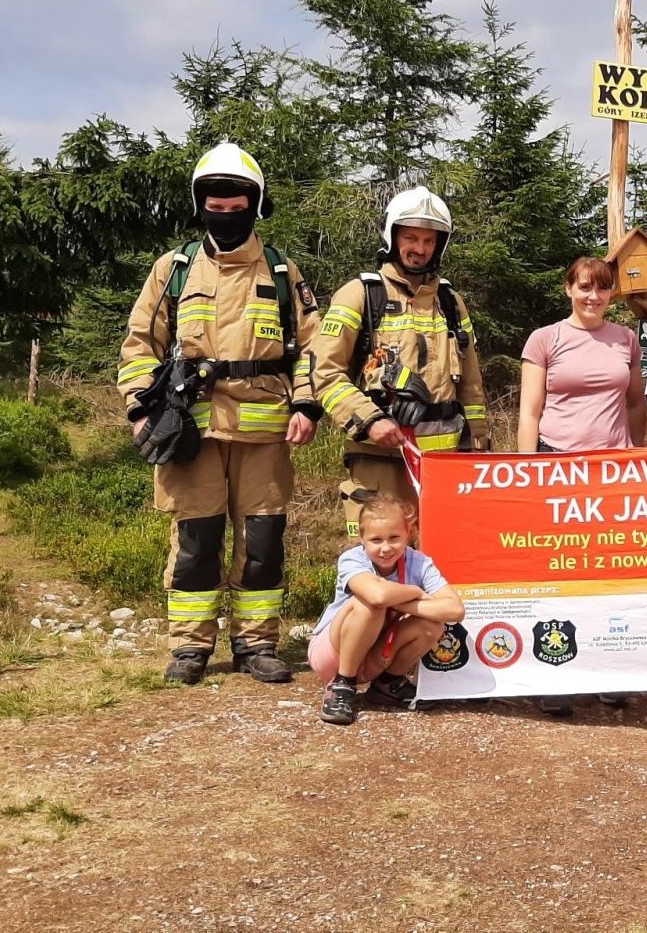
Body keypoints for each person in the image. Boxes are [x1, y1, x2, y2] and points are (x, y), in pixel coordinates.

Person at [118, 142, 321, 685]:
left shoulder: (281, 270)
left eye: (236, 205)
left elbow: (313, 348)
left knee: (262, 543)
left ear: (255, 205)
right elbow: (140, 345)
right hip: (191, 430)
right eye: (216, 203)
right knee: (195, 541)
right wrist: (141, 408)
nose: (226, 214)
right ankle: (190, 648)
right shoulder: (175, 269)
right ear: (200, 204)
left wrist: (307, 403)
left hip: (265, 431)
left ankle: (256, 644)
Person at [311, 187, 488, 536]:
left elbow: (471, 383)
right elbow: (326, 374)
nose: (419, 248)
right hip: (379, 460)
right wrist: (370, 421)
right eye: (410, 237)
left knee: (441, 559)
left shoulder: (451, 302)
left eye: (428, 240)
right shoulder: (361, 295)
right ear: (393, 235)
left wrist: (477, 444)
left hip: (444, 466)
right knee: (377, 561)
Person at [519, 256, 646, 715]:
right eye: (584, 287)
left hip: (610, 470)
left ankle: (607, 667)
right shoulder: (545, 339)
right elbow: (529, 411)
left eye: (603, 289)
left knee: (608, 574)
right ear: (568, 288)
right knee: (558, 572)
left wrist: (634, 451)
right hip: (556, 464)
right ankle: (554, 671)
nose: (593, 297)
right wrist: (528, 468)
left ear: (613, 294)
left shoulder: (625, 339)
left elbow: (634, 403)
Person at [310, 495, 464, 725]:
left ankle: (387, 684)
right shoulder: (352, 558)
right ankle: (342, 685)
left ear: (408, 534)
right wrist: (414, 590)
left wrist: (404, 603)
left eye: (394, 538)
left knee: (432, 624)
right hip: (333, 654)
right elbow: (377, 595)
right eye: (375, 540)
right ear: (362, 538)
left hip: (379, 651)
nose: (385, 548)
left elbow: (455, 610)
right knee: (368, 606)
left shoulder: (420, 562)